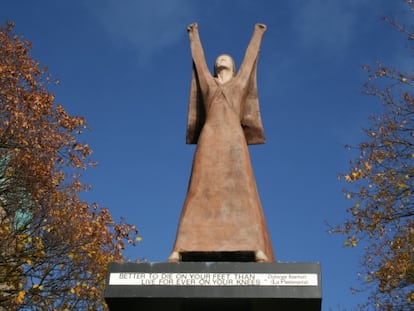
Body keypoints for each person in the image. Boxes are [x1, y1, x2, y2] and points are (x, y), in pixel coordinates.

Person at [169, 23, 274, 262]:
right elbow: (199, 62)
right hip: (209, 140)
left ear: (233, 66)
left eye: (226, 58)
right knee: (198, 190)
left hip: (235, 142)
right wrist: (193, 36)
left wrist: (257, 33)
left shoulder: (239, 84)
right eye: (219, 59)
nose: (221, 60)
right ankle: (180, 247)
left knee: (243, 193)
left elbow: (250, 60)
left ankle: (256, 247)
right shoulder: (208, 85)